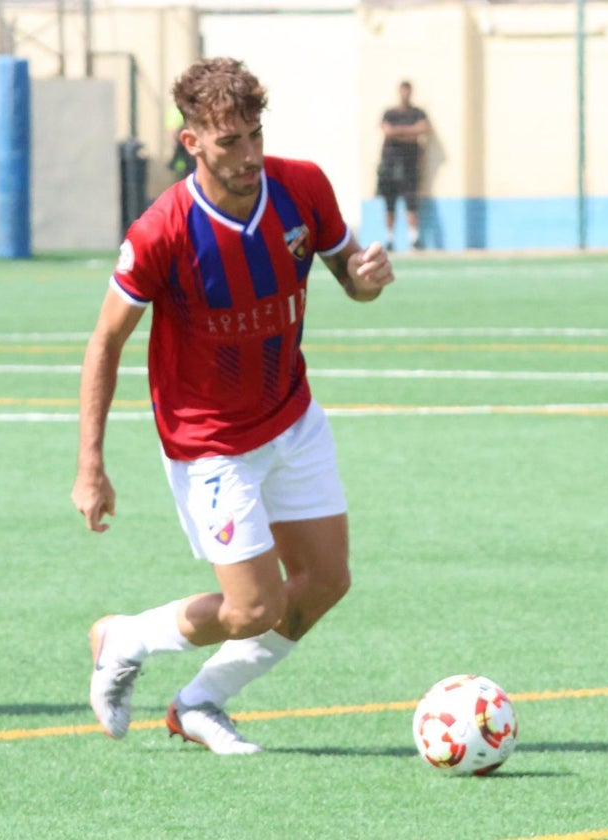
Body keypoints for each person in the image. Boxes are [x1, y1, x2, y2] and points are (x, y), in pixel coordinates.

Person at [71, 57, 395, 754]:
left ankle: (199, 703)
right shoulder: (162, 231)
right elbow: (104, 345)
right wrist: (90, 466)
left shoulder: (302, 188)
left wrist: (369, 280)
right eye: (229, 143)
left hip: (291, 417)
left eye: (255, 135)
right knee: (254, 608)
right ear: (191, 142)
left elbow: (351, 279)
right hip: (211, 441)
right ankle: (124, 638)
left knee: (326, 581)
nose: (249, 156)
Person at [376, 80, 430, 251]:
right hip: (390, 165)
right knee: (389, 204)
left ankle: (414, 239)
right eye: (403, 91)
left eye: (408, 91)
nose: (405, 94)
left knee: (411, 203)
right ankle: (390, 239)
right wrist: (410, 132)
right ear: (399, 92)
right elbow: (387, 131)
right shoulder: (390, 113)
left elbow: (423, 128)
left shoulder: (418, 113)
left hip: (410, 166)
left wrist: (398, 132)